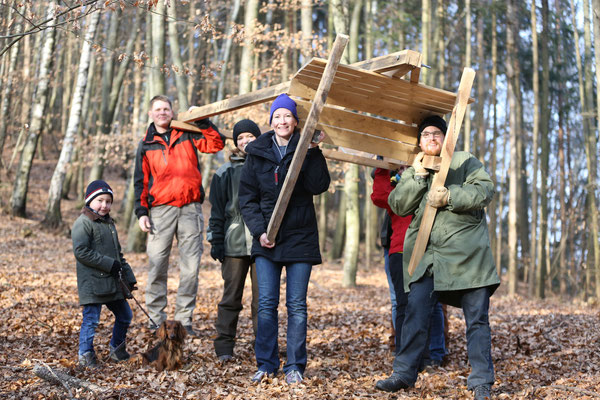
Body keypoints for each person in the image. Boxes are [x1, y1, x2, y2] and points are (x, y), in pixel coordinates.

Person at [375, 115, 500, 400]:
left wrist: (451, 195)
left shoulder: (464, 160)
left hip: (469, 256)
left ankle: (481, 380)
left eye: (437, 134)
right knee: (414, 313)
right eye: (426, 135)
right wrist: (417, 177)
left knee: (477, 320)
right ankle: (404, 373)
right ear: (419, 142)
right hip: (428, 256)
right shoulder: (415, 168)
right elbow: (398, 205)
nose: (431, 138)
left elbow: (484, 190)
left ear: (446, 138)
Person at [239, 94, 330, 384]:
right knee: (265, 304)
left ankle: (294, 366)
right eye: (277, 116)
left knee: (297, 305)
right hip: (267, 239)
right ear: (271, 121)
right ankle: (266, 364)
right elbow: (247, 199)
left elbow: (319, 186)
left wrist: (314, 150)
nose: (282, 121)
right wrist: (260, 231)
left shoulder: (306, 147)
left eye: (287, 116)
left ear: (295, 120)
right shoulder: (257, 152)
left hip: (300, 237)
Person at [134, 95, 224, 337]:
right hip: (160, 211)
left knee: (191, 267)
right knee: (156, 265)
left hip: (190, 209)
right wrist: (141, 212)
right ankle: (156, 320)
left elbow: (215, 145)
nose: (163, 112)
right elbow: (140, 182)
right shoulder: (146, 143)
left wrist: (203, 121)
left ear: (172, 112)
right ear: (151, 114)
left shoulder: (187, 132)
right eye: (158, 109)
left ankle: (184, 320)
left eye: (166, 108)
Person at [371, 167, 446, 366]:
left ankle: (428, 357)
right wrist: (381, 168)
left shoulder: (431, 184)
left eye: (409, 166)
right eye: (402, 168)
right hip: (399, 251)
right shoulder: (396, 189)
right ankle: (405, 357)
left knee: (427, 304)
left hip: (427, 251)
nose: (406, 170)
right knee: (403, 304)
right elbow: (379, 197)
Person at [208, 119, 261, 362]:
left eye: (250, 136)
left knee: (264, 300)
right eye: (240, 138)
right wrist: (216, 239)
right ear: (236, 143)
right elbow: (217, 210)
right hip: (233, 243)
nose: (245, 141)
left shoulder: (269, 166)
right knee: (231, 297)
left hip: (263, 241)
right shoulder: (224, 172)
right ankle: (224, 348)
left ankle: (263, 345)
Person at [72, 180, 137, 367]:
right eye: (100, 200)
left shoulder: (109, 224)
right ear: (89, 200)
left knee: (125, 315)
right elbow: (81, 252)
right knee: (91, 320)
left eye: (108, 201)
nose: (104, 205)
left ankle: (118, 350)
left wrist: (129, 278)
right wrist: (109, 264)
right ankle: (85, 356)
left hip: (112, 283)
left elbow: (119, 256)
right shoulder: (83, 223)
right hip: (92, 283)